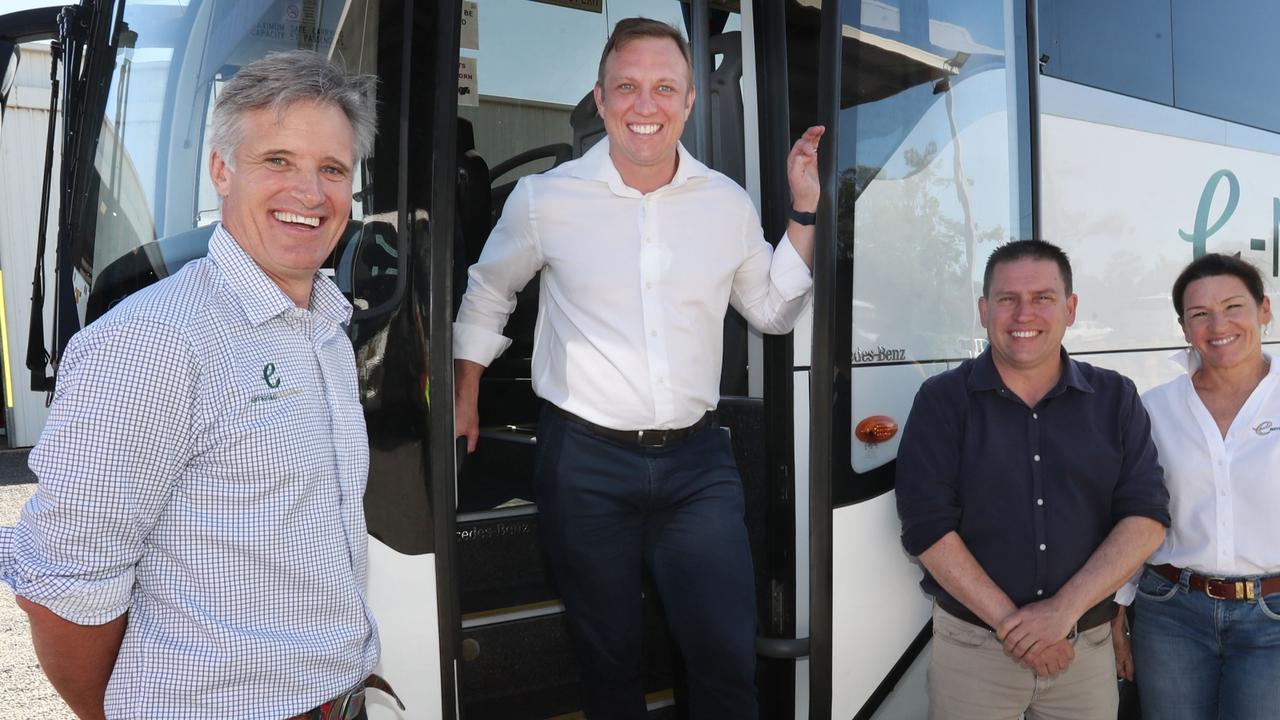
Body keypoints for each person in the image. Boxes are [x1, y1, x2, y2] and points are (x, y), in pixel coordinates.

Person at [0, 51, 393, 720]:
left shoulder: (324, 324)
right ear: (221, 169)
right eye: (278, 161)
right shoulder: (154, 341)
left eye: (332, 169)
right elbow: (63, 584)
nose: (311, 193)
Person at [453, 17, 822, 720]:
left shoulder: (726, 202)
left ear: (688, 103)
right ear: (600, 97)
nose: (644, 106)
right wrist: (466, 390)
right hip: (585, 466)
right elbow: (489, 290)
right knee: (609, 665)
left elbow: (773, 311)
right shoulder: (544, 200)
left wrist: (802, 209)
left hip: (697, 470)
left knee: (724, 664)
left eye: (664, 89)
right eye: (627, 87)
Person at [895, 239, 1170, 719]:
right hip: (974, 650)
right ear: (984, 310)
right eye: (1007, 299)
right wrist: (1015, 626)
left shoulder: (1115, 398)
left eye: (1043, 297)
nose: (1025, 314)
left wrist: (1061, 613)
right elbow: (927, 528)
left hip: (1081, 649)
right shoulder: (941, 400)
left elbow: (1146, 518)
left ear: (1070, 307)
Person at [1121, 253, 1280, 719]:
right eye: (1200, 314)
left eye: (1234, 307)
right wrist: (1118, 606)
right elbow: (1133, 512)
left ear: (1264, 310)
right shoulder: (1153, 409)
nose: (1219, 324)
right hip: (1171, 613)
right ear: (1184, 328)